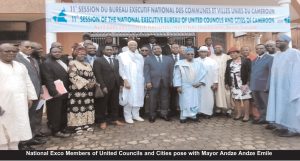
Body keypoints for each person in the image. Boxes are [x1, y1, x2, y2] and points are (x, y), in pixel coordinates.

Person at [0, 43, 37, 150]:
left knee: (17, 132)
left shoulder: (20, 65)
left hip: (20, 104)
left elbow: (27, 82)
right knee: (3, 134)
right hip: (3, 105)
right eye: (7, 51)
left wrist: (30, 97)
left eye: (13, 51)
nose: (11, 53)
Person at [266, 34, 300, 137]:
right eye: (276, 41)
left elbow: (298, 71)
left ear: (287, 42)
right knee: (280, 105)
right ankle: (283, 126)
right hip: (278, 86)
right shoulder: (277, 55)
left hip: (290, 85)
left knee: (291, 107)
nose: (277, 43)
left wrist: (295, 86)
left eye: (280, 41)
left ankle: (294, 129)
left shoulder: (295, 53)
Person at [15, 41, 46, 148]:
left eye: (31, 47)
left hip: (36, 93)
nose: (29, 48)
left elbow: (38, 77)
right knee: (25, 118)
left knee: (33, 116)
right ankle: (22, 142)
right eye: (26, 46)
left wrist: (41, 92)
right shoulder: (16, 59)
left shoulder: (33, 59)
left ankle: (31, 136)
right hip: (25, 95)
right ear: (20, 47)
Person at [40, 47, 71, 138]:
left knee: (62, 111)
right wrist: (54, 92)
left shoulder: (62, 61)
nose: (57, 53)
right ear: (50, 53)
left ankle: (62, 128)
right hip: (55, 93)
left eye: (59, 52)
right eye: (54, 52)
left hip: (64, 91)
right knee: (55, 113)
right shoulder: (46, 63)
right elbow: (48, 79)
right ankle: (56, 131)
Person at [93, 45, 124, 129]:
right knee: (102, 104)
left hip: (115, 85)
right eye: (108, 49)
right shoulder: (98, 60)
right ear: (103, 51)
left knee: (114, 104)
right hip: (105, 86)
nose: (110, 51)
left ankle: (114, 119)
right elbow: (98, 74)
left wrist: (121, 84)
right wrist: (103, 86)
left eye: (111, 50)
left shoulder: (116, 60)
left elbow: (118, 73)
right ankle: (102, 121)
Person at [67, 45, 96, 134]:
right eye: (79, 54)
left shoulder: (88, 64)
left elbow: (93, 75)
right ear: (75, 54)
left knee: (87, 106)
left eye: (83, 54)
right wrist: (86, 83)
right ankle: (78, 125)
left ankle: (86, 124)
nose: (82, 55)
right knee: (78, 107)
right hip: (77, 91)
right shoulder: (72, 63)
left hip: (88, 91)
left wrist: (93, 82)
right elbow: (72, 76)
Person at [173, 48, 207, 123]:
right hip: (185, 86)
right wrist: (178, 86)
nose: (190, 55)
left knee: (194, 101)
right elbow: (177, 76)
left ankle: (193, 115)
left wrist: (200, 83)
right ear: (185, 55)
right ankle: (183, 116)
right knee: (184, 101)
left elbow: (203, 73)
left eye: (192, 54)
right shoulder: (180, 63)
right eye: (188, 54)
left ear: (194, 55)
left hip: (195, 86)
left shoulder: (198, 63)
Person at [144, 45, 173, 123]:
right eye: (155, 49)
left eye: (159, 48)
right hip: (153, 83)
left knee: (165, 99)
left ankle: (164, 114)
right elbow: (146, 72)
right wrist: (148, 82)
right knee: (152, 100)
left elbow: (171, 71)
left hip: (165, 82)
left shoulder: (168, 59)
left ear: (161, 49)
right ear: (152, 51)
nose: (157, 50)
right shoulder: (148, 59)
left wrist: (171, 81)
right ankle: (152, 115)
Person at [118, 41, 145, 124]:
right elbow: (121, 70)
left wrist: (143, 81)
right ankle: (128, 116)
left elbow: (142, 69)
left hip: (139, 81)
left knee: (138, 97)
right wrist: (125, 81)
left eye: (135, 45)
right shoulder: (122, 55)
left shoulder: (139, 56)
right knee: (128, 98)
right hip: (128, 80)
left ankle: (136, 115)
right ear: (128, 46)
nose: (133, 46)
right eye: (131, 45)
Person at [225, 47, 252, 122]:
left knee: (245, 98)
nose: (232, 54)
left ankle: (246, 115)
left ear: (238, 53)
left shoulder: (246, 60)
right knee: (236, 98)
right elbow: (226, 73)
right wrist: (226, 82)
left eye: (234, 53)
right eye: (231, 53)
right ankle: (238, 114)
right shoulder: (229, 61)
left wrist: (248, 82)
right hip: (233, 82)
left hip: (243, 82)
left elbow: (250, 72)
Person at [250, 44, 273, 124]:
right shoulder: (255, 60)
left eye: (261, 48)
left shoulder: (270, 59)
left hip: (264, 85)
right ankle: (263, 117)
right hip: (254, 85)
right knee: (258, 103)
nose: (259, 50)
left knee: (266, 103)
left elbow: (271, 73)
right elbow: (252, 73)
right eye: (257, 48)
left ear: (265, 49)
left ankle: (270, 120)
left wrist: (268, 85)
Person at [196, 46, 219, 118]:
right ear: (199, 52)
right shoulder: (195, 60)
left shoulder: (212, 61)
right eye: (201, 52)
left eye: (204, 52)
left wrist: (215, 83)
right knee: (197, 97)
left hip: (209, 83)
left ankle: (208, 113)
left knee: (208, 98)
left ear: (207, 53)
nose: (203, 53)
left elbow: (216, 72)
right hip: (197, 83)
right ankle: (198, 111)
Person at [210, 45, 232, 116]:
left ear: (222, 48)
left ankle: (229, 110)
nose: (217, 49)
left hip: (225, 79)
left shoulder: (227, 57)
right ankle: (218, 109)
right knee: (217, 94)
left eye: (219, 48)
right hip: (216, 79)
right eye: (215, 48)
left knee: (227, 94)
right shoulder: (211, 57)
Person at [168, 43, 185, 117]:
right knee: (172, 96)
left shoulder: (184, 57)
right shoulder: (166, 57)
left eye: (177, 47)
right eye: (173, 48)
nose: (175, 49)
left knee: (182, 96)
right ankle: (173, 111)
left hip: (182, 81)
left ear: (179, 49)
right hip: (170, 80)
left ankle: (182, 110)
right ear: (171, 49)